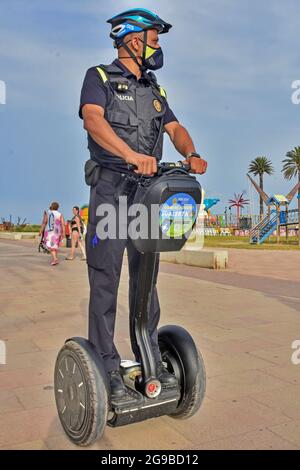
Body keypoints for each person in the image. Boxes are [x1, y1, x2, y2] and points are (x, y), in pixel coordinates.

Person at [79, 8, 208, 398]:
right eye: (155, 39)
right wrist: (130, 155)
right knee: (106, 281)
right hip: (111, 192)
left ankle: (150, 358)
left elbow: (175, 127)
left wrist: (192, 152)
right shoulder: (98, 78)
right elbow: (92, 120)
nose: (158, 46)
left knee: (146, 280)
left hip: (147, 195)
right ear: (134, 41)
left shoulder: (156, 91)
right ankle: (107, 367)